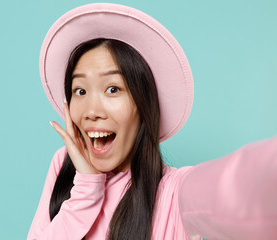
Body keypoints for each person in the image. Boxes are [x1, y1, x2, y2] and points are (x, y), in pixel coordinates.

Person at [27, 3, 277, 240]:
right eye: (80, 91)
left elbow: (243, 184)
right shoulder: (65, 164)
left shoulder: (176, 193)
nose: (91, 111)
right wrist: (86, 190)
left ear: (143, 103)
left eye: (113, 89)